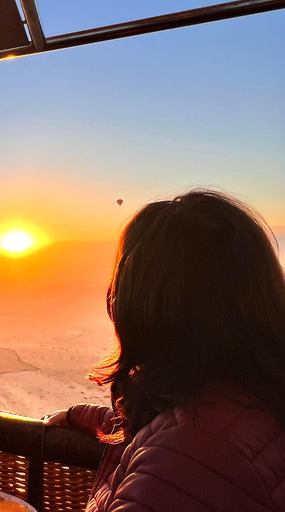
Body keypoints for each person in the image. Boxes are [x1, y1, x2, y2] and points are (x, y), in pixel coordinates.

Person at [42, 190, 285, 512]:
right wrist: (78, 415)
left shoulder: (190, 456)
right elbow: (155, 428)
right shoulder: (250, 398)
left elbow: (180, 450)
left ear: (147, 307)